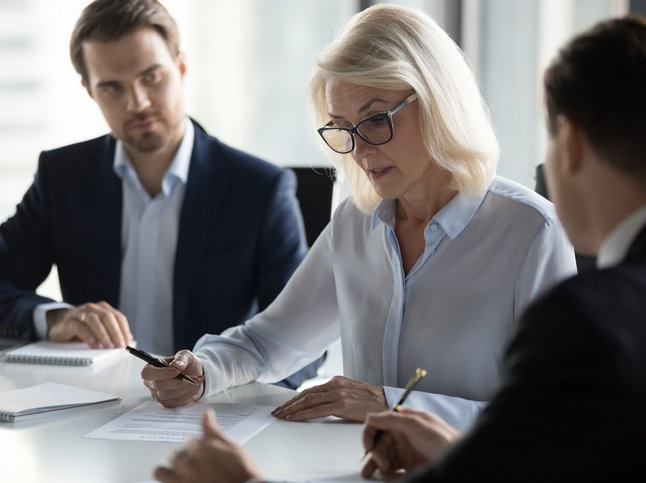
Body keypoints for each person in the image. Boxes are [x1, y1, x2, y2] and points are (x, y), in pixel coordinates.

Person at [152, 13, 646, 483]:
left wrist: (392, 404)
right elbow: (269, 342)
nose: (361, 150)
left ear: (436, 102)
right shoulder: (355, 222)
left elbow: (544, 427)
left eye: (375, 121)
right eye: (343, 129)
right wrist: (203, 370)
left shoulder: (530, 232)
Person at [0, 0, 320, 389]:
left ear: (181, 67)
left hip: (214, 415)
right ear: (89, 92)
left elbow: (304, 346)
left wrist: (224, 388)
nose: (138, 103)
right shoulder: (62, 178)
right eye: (112, 87)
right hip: (92, 413)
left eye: (151, 77)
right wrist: (54, 319)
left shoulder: (260, 189)